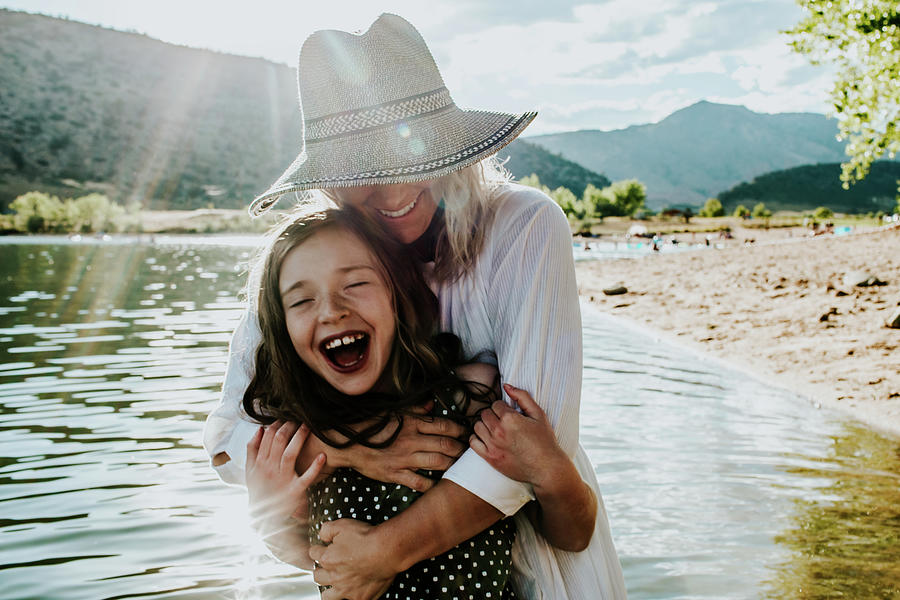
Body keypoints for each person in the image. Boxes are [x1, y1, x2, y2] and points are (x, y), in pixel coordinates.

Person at [203, 13, 627, 600]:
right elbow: (231, 441)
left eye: (415, 154)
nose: (397, 187)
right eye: (363, 169)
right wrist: (354, 441)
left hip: (533, 558)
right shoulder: (309, 261)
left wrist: (383, 552)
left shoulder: (524, 225)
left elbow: (530, 444)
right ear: (328, 181)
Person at [242, 207, 598, 598]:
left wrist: (551, 469)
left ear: (397, 294)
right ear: (282, 328)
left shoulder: (466, 401)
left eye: (355, 283)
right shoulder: (301, 438)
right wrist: (269, 508)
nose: (332, 311)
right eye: (301, 301)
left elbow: (574, 535)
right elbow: (309, 559)